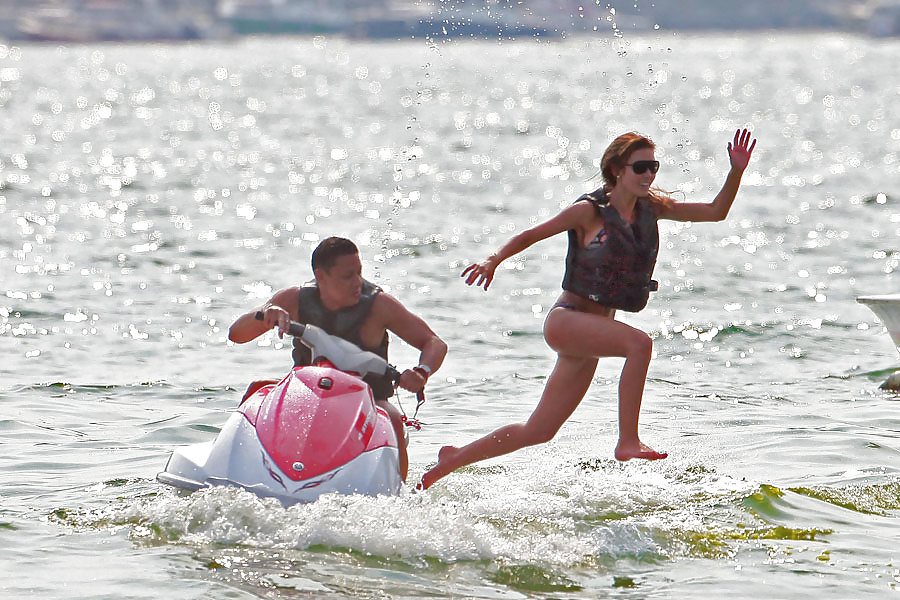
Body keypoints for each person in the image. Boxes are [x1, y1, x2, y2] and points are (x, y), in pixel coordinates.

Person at [420, 129, 757, 490]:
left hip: (591, 333)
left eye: (653, 167)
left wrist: (736, 171)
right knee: (639, 345)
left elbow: (715, 212)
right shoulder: (588, 212)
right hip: (567, 321)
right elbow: (531, 235)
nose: (649, 176)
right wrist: (493, 259)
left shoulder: (652, 208)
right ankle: (628, 440)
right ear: (616, 170)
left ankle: (454, 458)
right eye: (640, 167)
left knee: (540, 430)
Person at [229, 236, 447, 482]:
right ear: (321, 276)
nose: (357, 283)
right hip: (305, 397)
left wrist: (422, 372)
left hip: (370, 402)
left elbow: (434, 343)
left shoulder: (379, 305)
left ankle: (399, 490)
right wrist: (264, 314)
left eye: (359, 273)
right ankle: (234, 467)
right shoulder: (293, 299)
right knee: (257, 389)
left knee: (395, 419)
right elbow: (236, 334)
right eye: (347, 276)